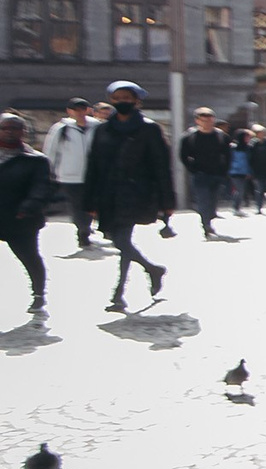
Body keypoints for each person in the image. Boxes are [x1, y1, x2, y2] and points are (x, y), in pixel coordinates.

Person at [85, 81, 172, 310]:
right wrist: (90, 199)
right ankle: (151, 270)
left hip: (137, 193)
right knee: (121, 241)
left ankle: (119, 294)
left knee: (122, 240)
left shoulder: (149, 129)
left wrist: (167, 201)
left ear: (136, 101)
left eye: (126, 98)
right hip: (108, 193)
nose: (122, 102)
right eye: (117, 98)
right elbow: (93, 165)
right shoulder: (102, 130)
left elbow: (161, 165)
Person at [0, 114, 50, 315]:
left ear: (23, 132)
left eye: (14, 128)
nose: (9, 132)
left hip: (19, 218)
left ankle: (38, 294)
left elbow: (42, 187)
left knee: (29, 257)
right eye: (5, 128)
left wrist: (29, 206)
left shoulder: (35, 160)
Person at [42, 99, 94, 250]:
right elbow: (51, 151)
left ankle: (86, 227)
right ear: (69, 111)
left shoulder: (97, 127)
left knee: (91, 204)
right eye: (76, 109)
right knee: (77, 205)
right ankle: (83, 231)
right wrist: (48, 170)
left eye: (82, 109)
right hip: (69, 175)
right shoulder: (61, 129)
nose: (79, 112)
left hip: (92, 174)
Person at [179, 107, 230, 238]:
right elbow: (183, 155)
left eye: (210, 120)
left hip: (217, 173)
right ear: (197, 121)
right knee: (203, 200)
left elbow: (228, 155)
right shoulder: (189, 137)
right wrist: (192, 169)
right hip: (200, 174)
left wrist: (224, 170)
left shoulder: (221, 136)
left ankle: (209, 218)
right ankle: (205, 225)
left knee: (213, 201)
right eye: (204, 120)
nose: (208, 123)